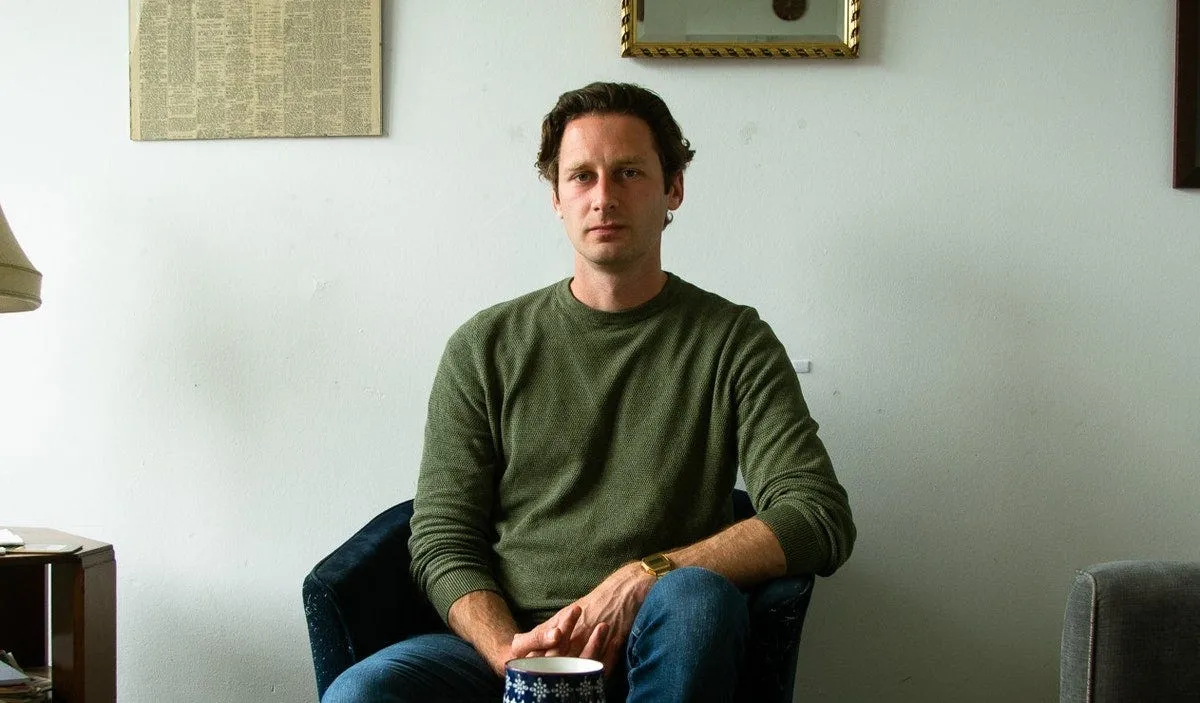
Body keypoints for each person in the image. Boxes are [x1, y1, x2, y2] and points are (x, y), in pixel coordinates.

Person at [322, 81, 855, 703]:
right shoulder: (485, 346)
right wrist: (510, 654)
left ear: (673, 189)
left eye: (628, 172)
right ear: (557, 197)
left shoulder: (733, 341)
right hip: (512, 647)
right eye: (581, 177)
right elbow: (442, 535)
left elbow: (817, 514)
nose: (604, 197)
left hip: (663, 643)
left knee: (694, 599)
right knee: (362, 692)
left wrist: (647, 575)